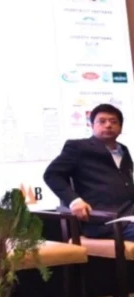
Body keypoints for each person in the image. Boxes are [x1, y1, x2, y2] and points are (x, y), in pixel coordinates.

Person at [43, 103, 134, 241]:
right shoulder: (78, 147)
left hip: (129, 216)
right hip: (104, 221)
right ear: (92, 125)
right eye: (102, 121)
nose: (108, 125)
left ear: (120, 128)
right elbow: (52, 174)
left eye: (113, 122)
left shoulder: (123, 150)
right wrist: (74, 201)